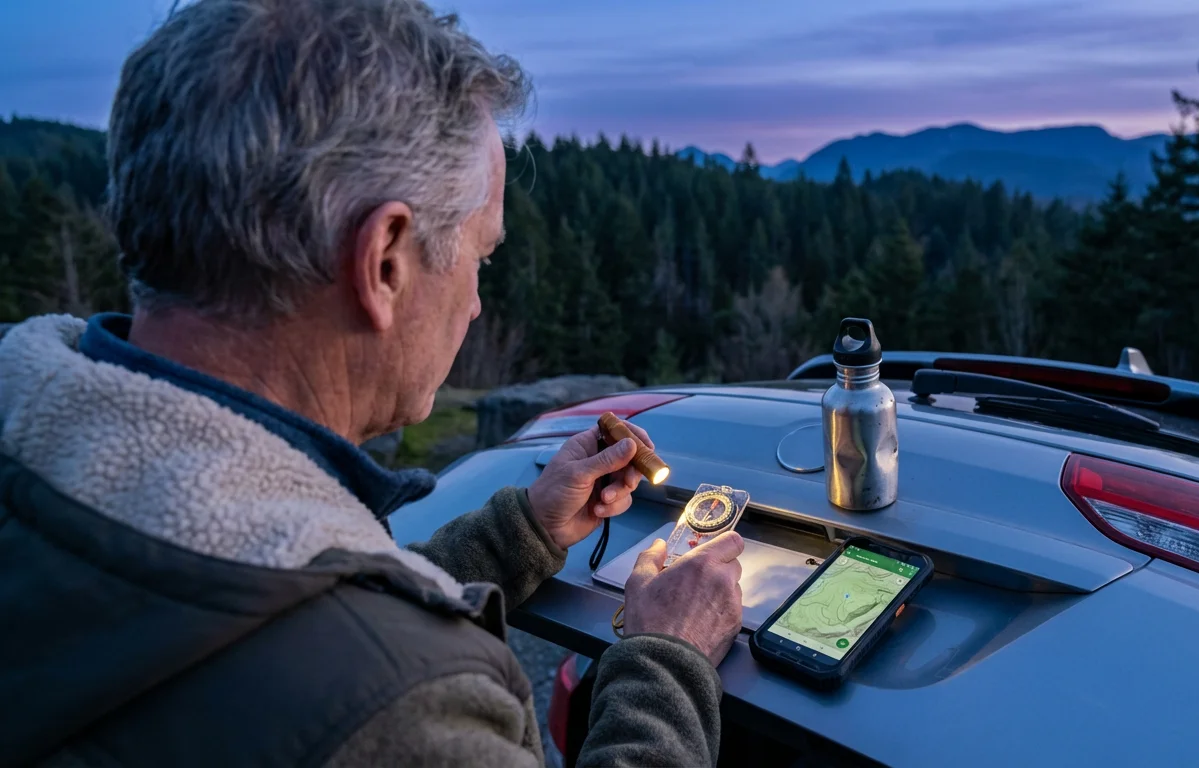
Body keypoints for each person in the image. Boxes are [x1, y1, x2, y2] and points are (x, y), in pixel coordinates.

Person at [0, 1, 744, 766]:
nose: (478, 301)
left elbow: (280, 589)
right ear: (385, 261)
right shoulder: (406, 705)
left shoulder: (36, 446)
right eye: (479, 257)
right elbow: (334, 643)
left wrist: (523, 532)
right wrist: (664, 657)